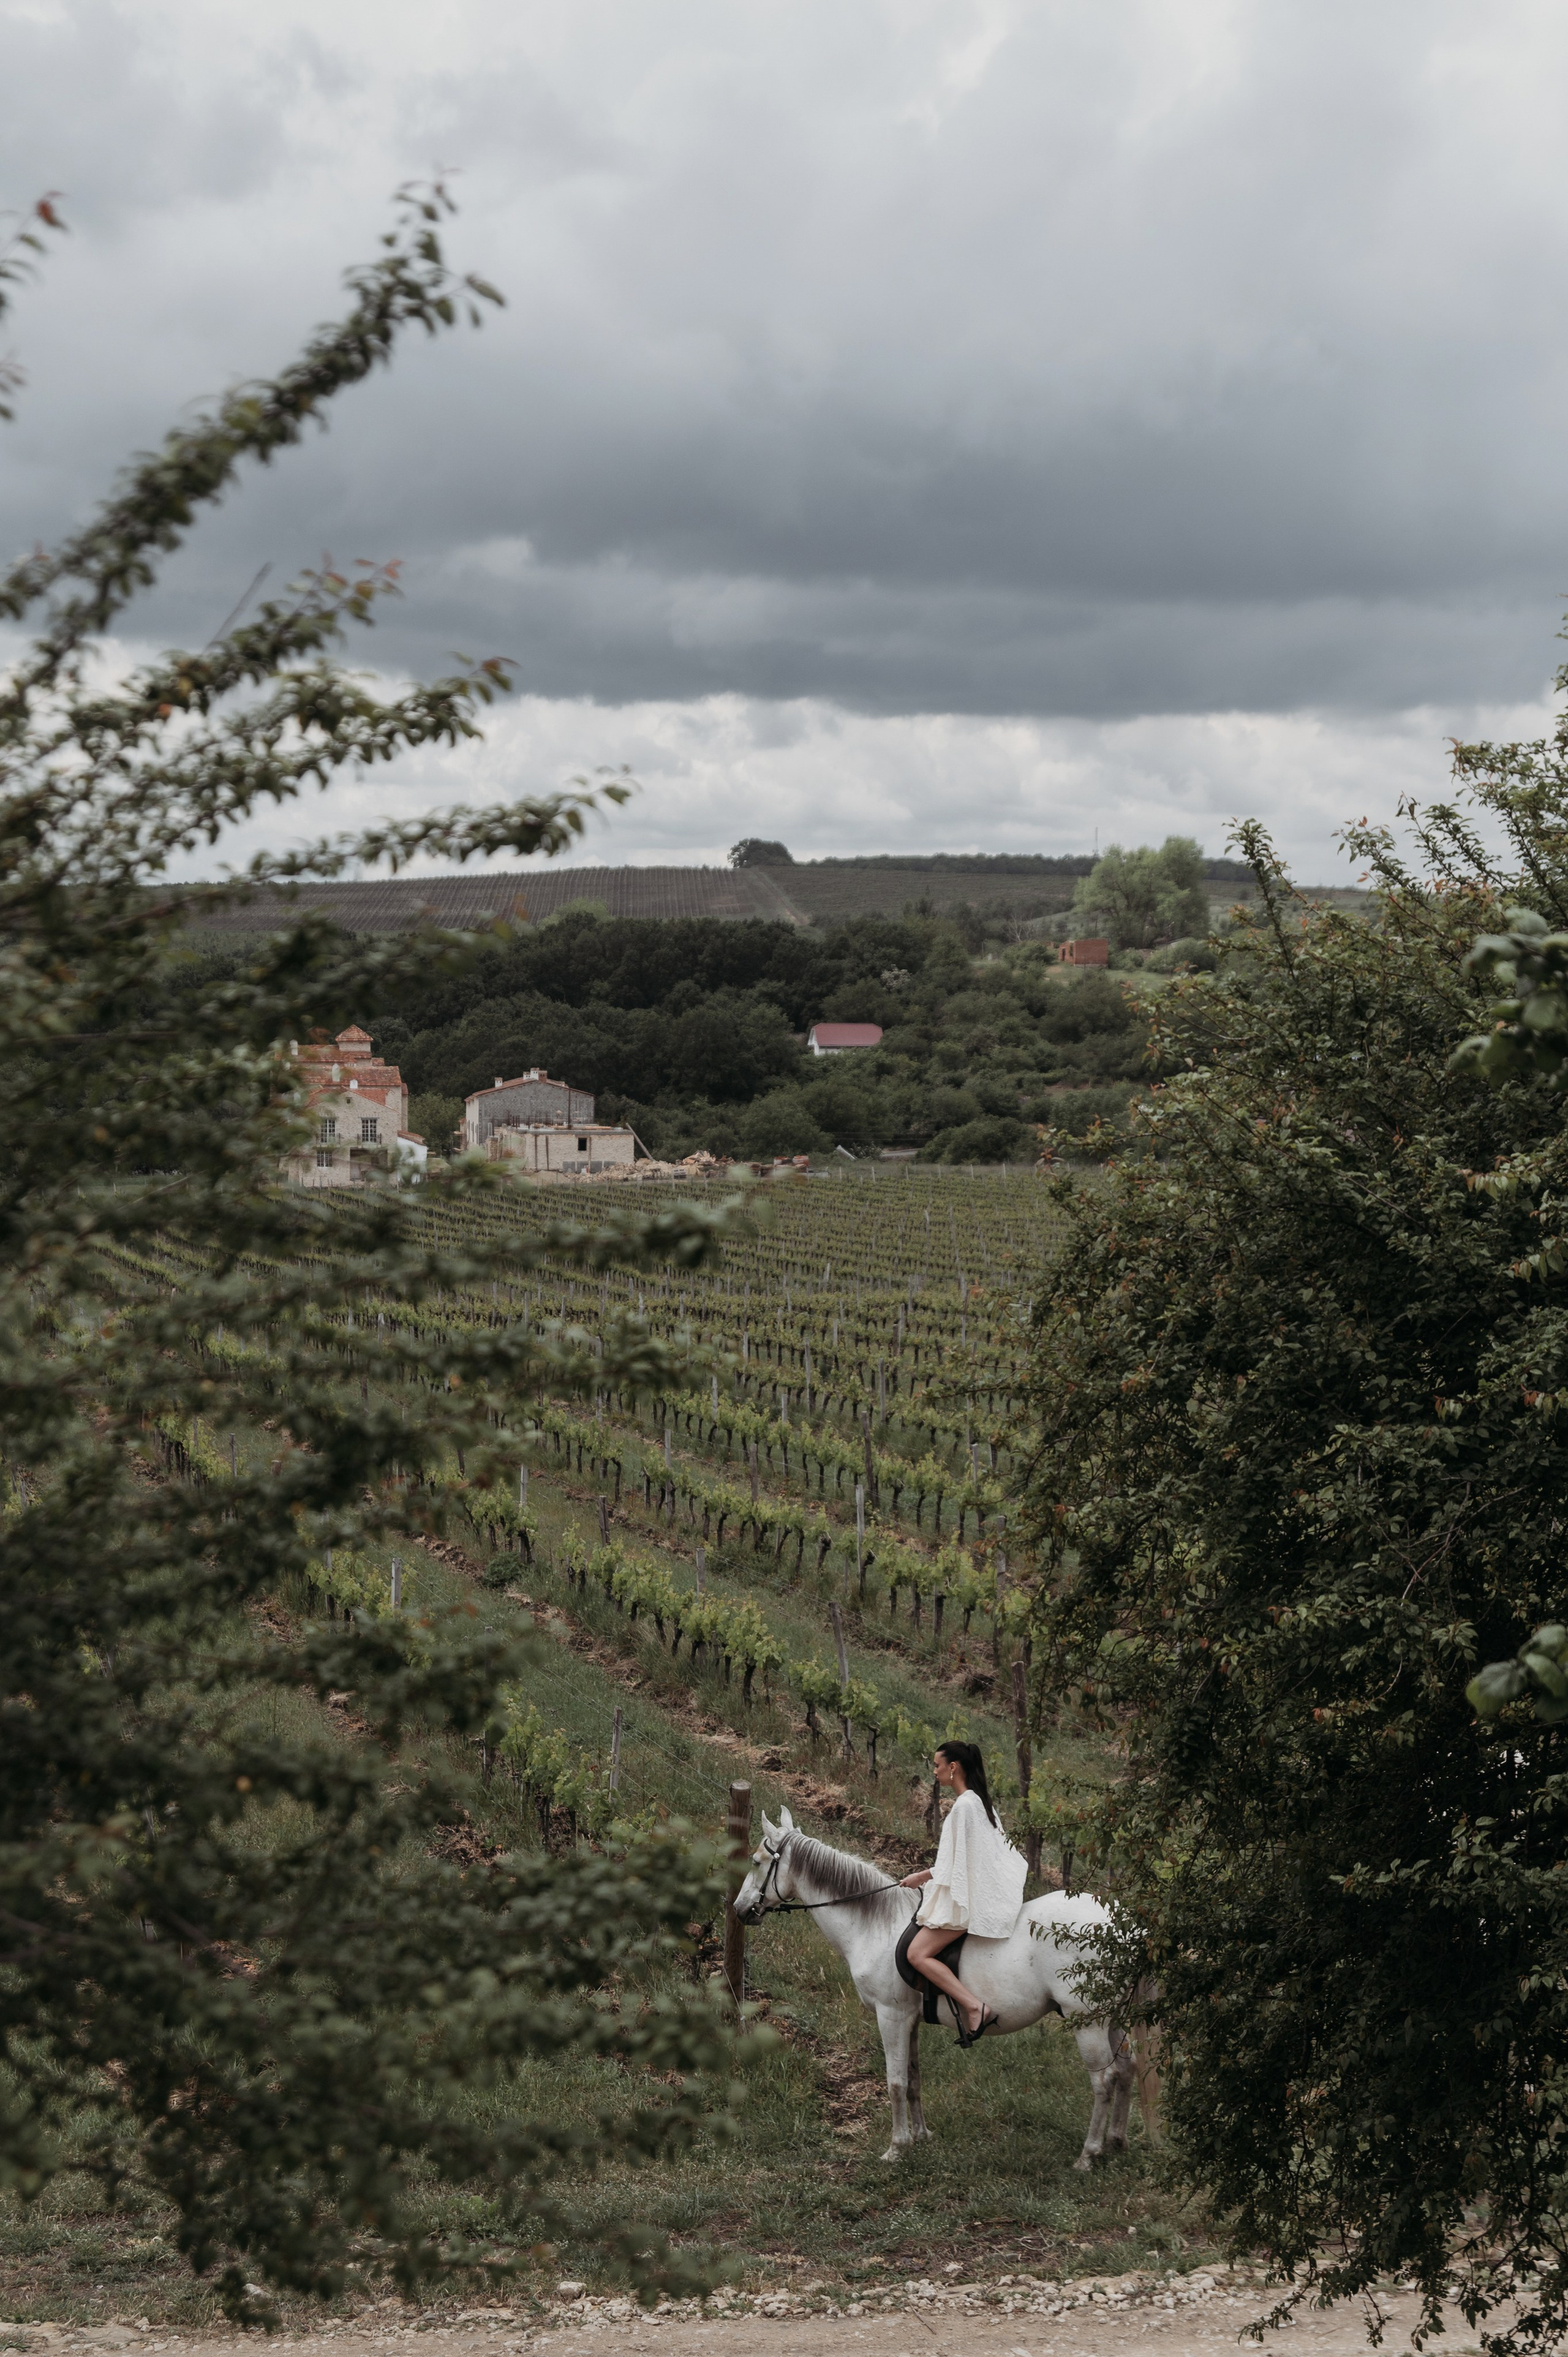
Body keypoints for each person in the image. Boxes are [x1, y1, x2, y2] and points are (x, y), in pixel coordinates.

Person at [900, 1741, 1026, 2043]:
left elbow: (952, 1864)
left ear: (953, 1767)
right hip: (979, 1889)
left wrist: (921, 1876)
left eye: (937, 1765)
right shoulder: (981, 1803)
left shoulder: (964, 1806)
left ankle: (974, 2006)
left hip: (966, 1896)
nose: (935, 1771)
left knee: (916, 1954)